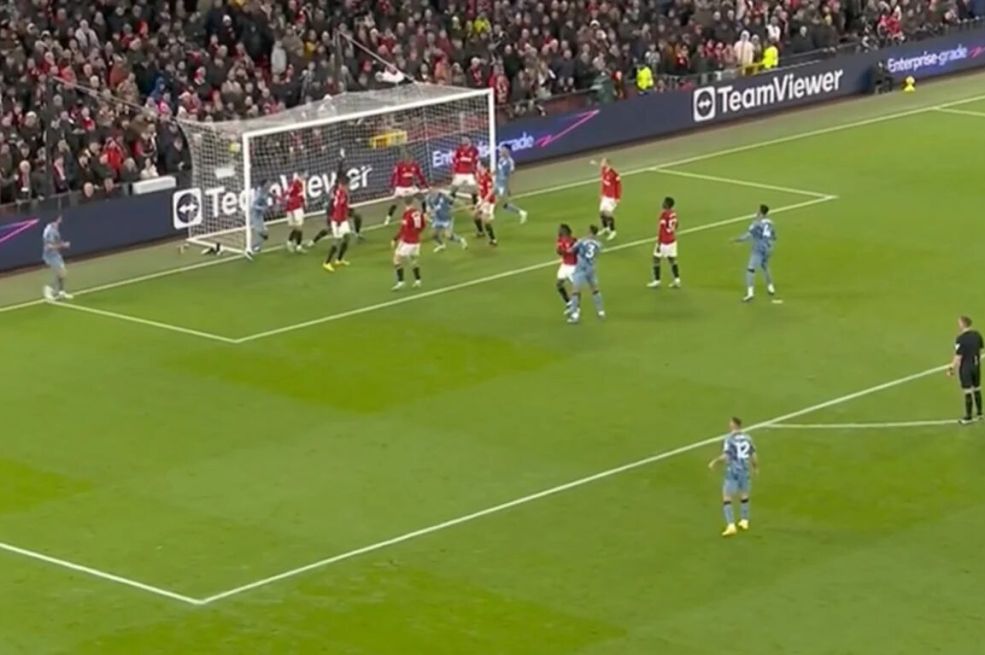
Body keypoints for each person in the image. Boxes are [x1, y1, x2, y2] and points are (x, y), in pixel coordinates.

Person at [708, 417, 758, 537]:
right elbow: (753, 454)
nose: (729, 424)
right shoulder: (748, 438)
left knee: (727, 496)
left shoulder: (729, 439)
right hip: (745, 470)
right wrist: (755, 467)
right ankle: (744, 521)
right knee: (744, 494)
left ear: (734, 425)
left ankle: (731, 526)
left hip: (733, 471)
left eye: (730, 423)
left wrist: (715, 462)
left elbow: (726, 456)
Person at [734, 204, 777, 302]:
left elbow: (748, 235)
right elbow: (774, 236)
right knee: (765, 266)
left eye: (758, 211)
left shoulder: (756, 224)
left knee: (750, 269)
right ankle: (770, 287)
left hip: (758, 248)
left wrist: (738, 239)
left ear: (760, 212)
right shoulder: (770, 223)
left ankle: (750, 294)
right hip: (769, 248)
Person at [947, 315, 984, 424]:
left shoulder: (960, 339)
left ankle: (968, 417)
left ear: (963, 324)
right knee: (977, 389)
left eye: (959, 323)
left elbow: (958, 356)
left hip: (966, 368)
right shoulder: (977, 335)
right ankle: (980, 414)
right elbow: (981, 348)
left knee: (967, 391)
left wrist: (951, 368)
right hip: (976, 366)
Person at [566, 225, 606, 324]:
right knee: (595, 289)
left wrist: (567, 248)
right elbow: (596, 254)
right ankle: (601, 311)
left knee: (575, 291)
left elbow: (570, 250)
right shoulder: (599, 244)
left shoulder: (582, 241)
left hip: (581, 268)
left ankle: (575, 315)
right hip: (591, 268)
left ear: (590, 232)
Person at [313, 176, 354, 272]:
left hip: (343, 220)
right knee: (337, 241)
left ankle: (339, 259)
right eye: (347, 185)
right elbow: (338, 208)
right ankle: (327, 262)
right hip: (337, 221)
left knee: (347, 237)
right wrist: (339, 221)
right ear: (344, 185)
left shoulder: (341, 192)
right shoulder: (342, 195)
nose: (348, 186)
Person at [392, 198, 427, 290]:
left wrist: (395, 238)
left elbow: (403, 229)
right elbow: (423, 225)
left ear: (405, 204)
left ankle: (401, 282)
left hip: (408, 241)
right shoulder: (418, 213)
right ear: (413, 202)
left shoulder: (407, 214)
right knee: (413, 260)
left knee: (397, 259)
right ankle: (418, 280)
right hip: (417, 241)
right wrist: (416, 233)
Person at [448, 136, 481, 234]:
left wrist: (476, 172)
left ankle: (475, 204)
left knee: (473, 189)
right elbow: (454, 160)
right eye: (463, 144)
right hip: (460, 173)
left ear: (469, 143)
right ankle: (449, 205)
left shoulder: (475, 151)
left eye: (466, 144)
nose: (465, 146)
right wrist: (454, 172)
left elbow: (476, 161)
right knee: (453, 189)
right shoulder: (459, 150)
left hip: (469, 173)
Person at [385, 152, 428, 226]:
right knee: (395, 203)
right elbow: (394, 176)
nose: (409, 160)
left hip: (411, 187)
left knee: (423, 199)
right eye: (407, 158)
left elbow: (420, 175)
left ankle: (425, 214)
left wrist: (425, 185)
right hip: (401, 188)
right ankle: (388, 218)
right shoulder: (399, 166)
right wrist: (391, 187)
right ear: (404, 159)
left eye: (410, 158)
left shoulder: (415, 166)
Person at [648, 196, 680, 289]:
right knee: (672, 259)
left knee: (656, 259)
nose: (662, 203)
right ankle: (677, 280)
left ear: (667, 204)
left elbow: (661, 230)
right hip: (672, 240)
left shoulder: (664, 214)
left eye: (664, 202)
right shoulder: (673, 214)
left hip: (664, 241)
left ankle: (657, 281)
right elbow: (676, 224)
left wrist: (659, 243)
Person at [42, 216, 73, 301]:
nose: (60, 220)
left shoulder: (54, 229)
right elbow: (49, 246)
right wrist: (63, 245)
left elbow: (57, 241)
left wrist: (62, 244)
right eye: (59, 219)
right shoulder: (50, 231)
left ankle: (61, 292)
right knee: (61, 273)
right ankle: (48, 289)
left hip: (56, 254)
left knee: (63, 273)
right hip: (50, 256)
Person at [495, 144, 527, 224]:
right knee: (504, 205)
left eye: (503, 149)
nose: (501, 150)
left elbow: (510, 175)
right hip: (497, 182)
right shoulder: (500, 159)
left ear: (507, 151)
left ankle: (490, 216)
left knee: (497, 201)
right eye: (501, 149)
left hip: (503, 185)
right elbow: (499, 171)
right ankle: (522, 213)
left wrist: (508, 187)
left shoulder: (510, 162)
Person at [281, 172, 306, 253]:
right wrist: (289, 202)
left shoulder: (300, 184)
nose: (305, 176)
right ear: (300, 175)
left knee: (298, 227)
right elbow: (286, 193)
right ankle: (297, 245)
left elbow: (299, 195)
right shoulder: (295, 184)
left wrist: (303, 201)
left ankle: (291, 243)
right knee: (298, 227)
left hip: (297, 207)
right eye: (304, 175)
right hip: (294, 208)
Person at [245, 179, 270, 258]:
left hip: (259, 215)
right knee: (260, 232)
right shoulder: (258, 193)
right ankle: (251, 247)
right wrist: (262, 208)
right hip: (254, 214)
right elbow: (253, 205)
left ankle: (257, 247)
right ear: (264, 185)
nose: (269, 185)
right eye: (268, 184)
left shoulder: (265, 192)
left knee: (262, 231)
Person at [598, 158, 621, 241]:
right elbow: (604, 184)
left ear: (607, 163)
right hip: (605, 196)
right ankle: (606, 228)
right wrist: (602, 194)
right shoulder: (603, 171)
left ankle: (613, 231)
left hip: (612, 197)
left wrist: (617, 197)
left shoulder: (614, 174)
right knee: (601, 213)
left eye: (603, 162)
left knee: (608, 214)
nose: (601, 163)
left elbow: (618, 186)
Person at [475, 162, 498, 246]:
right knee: (475, 215)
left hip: (489, 201)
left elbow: (491, 192)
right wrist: (479, 198)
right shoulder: (479, 175)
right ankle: (481, 232)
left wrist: (483, 202)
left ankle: (493, 240)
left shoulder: (488, 178)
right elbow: (478, 188)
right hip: (482, 199)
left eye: (480, 167)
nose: (478, 168)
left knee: (485, 220)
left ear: (484, 168)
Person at [555, 223, 577, 307]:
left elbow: (577, 251)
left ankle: (576, 307)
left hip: (572, 266)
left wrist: (569, 251)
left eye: (560, 229)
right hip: (564, 265)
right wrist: (560, 250)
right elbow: (559, 252)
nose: (559, 231)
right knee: (559, 285)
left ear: (565, 230)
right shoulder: (559, 240)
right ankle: (568, 302)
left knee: (575, 287)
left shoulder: (573, 240)